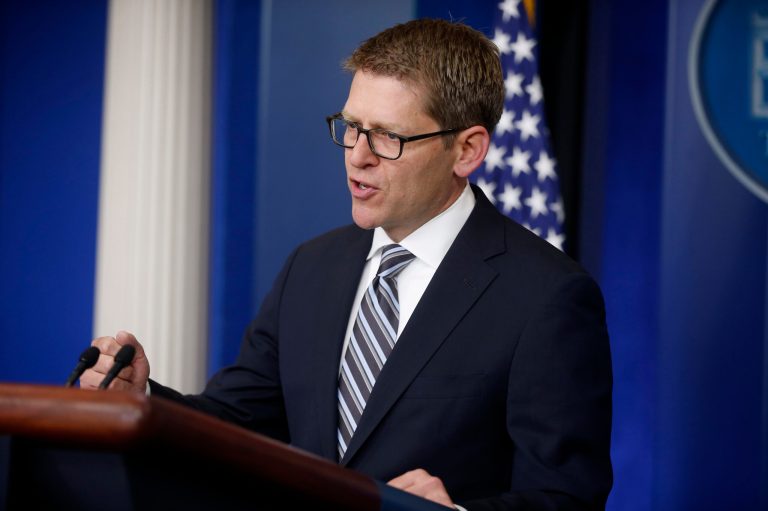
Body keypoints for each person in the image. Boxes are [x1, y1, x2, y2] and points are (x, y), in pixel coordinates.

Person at [80, 18, 612, 510]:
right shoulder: (312, 267)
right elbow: (239, 423)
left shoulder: (546, 296)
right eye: (351, 126)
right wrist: (142, 399)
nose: (357, 154)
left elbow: (566, 497)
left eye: (388, 136)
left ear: (467, 151)